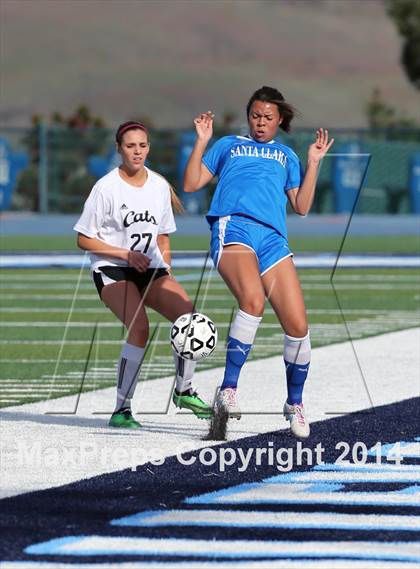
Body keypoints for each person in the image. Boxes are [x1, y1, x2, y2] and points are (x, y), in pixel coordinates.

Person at [184, 86, 334, 438]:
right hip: (233, 226)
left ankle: (294, 403)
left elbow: (302, 206)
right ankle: (228, 389)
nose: (261, 122)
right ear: (248, 116)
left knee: (298, 326)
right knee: (252, 302)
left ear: (280, 119)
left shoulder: (287, 156)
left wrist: (313, 163)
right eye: (255, 116)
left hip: (273, 240)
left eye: (268, 117)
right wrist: (202, 140)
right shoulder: (228, 145)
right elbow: (191, 184)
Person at [74, 121, 213, 428]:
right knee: (140, 327)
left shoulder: (159, 186)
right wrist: (125, 254)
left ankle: (184, 390)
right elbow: (83, 239)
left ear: (149, 147)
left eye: (142, 145)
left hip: (149, 268)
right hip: (113, 268)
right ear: (118, 149)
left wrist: (167, 269)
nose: (137, 152)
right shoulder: (106, 188)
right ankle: (122, 410)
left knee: (190, 318)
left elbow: (163, 236)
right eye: (130, 146)